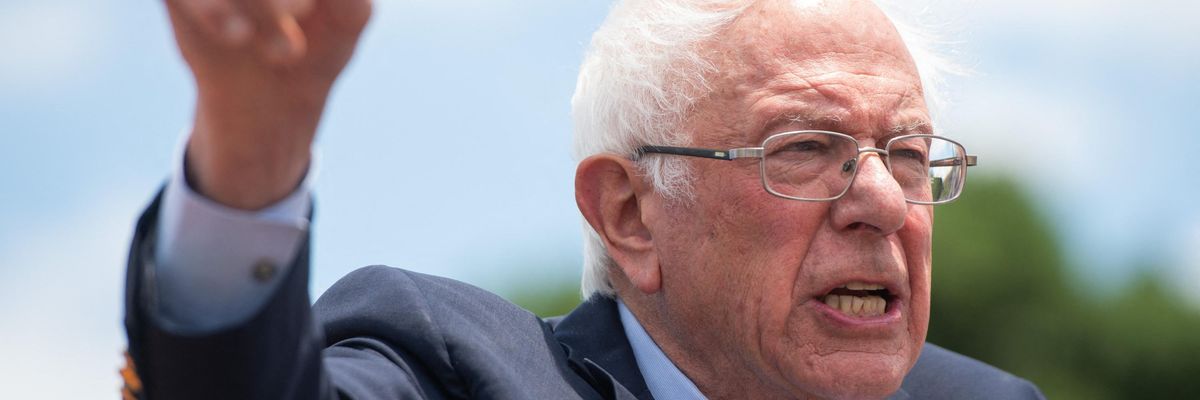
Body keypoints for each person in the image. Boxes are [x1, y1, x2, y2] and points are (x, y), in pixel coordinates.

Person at [122, 0, 1046, 398]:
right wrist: (251, 156)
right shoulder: (459, 373)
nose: (883, 202)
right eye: (806, 149)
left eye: (910, 154)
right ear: (629, 216)